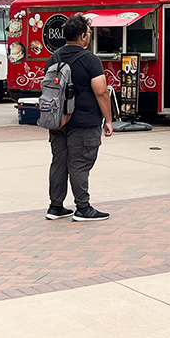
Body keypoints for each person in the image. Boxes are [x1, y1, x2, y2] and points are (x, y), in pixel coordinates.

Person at [44, 14, 116, 222]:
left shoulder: (53, 58)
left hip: (57, 120)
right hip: (84, 122)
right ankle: (83, 208)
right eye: (89, 33)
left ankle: (55, 206)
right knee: (80, 163)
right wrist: (108, 120)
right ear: (82, 35)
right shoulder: (89, 59)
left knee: (59, 162)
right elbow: (101, 92)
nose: (89, 37)